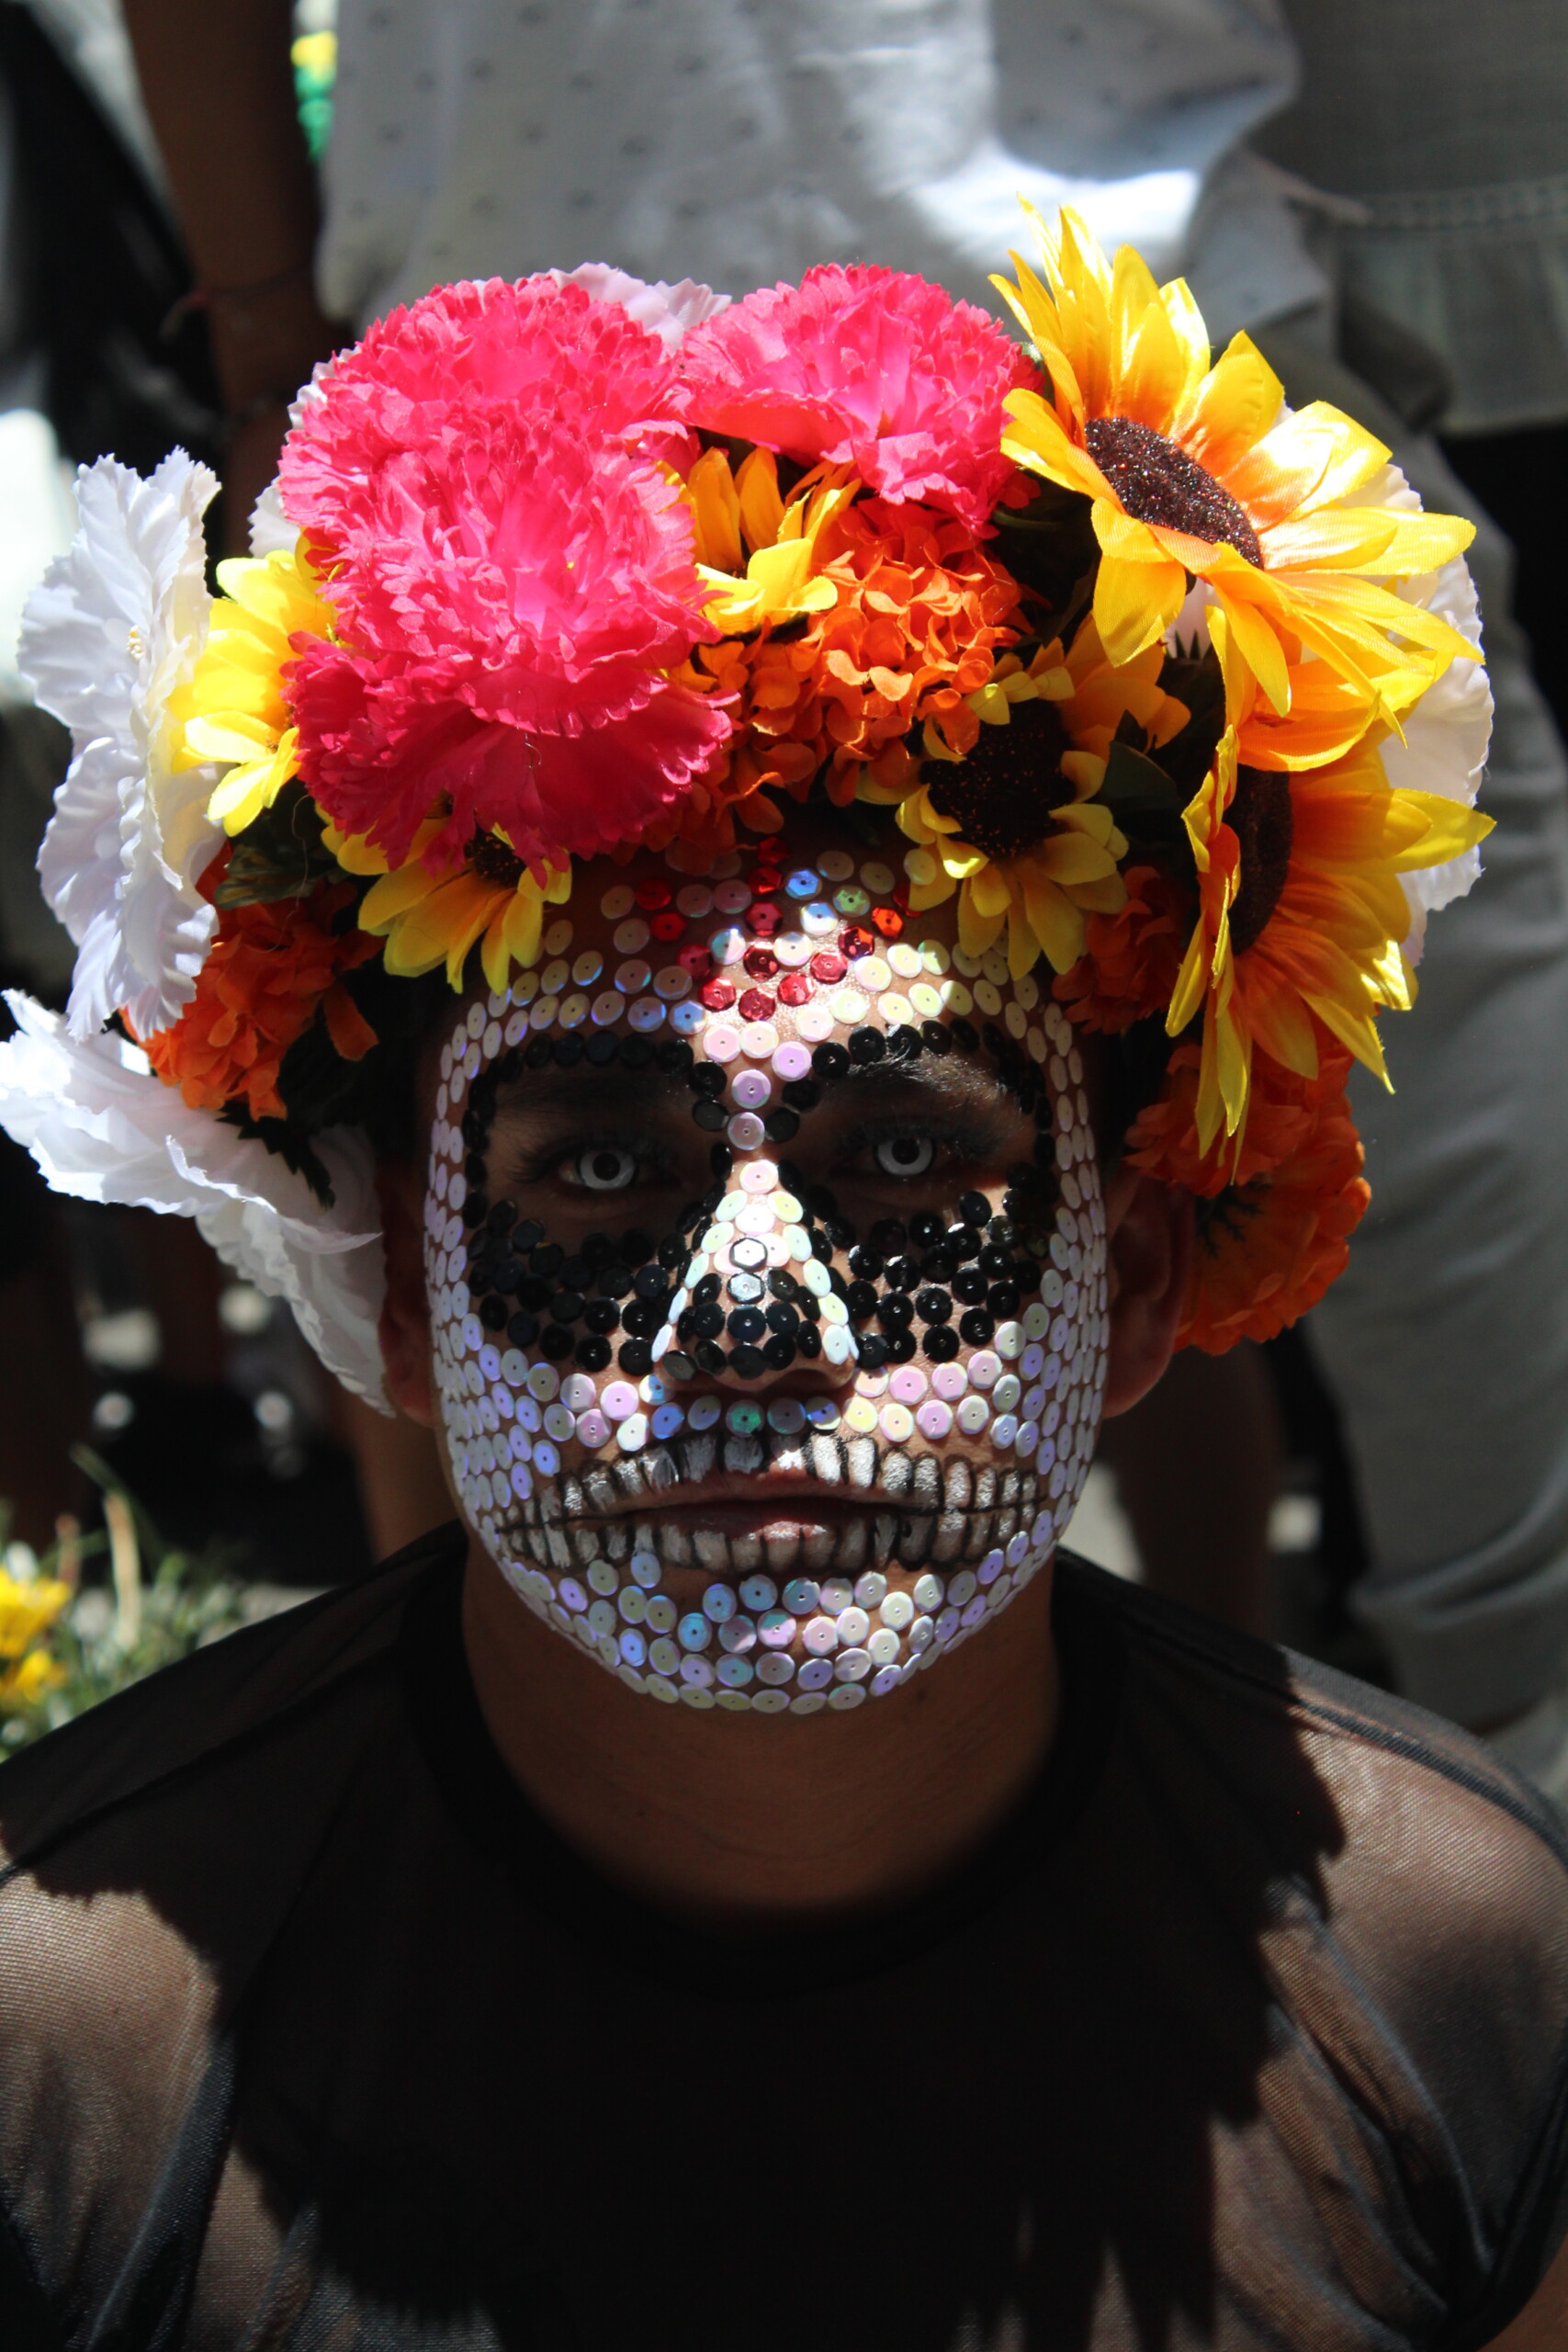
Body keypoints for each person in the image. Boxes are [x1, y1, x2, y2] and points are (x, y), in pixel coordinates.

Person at [3, 230, 1567, 2349]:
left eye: (905, 1154)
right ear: (389, 1296)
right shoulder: (68, 2044)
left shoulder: (1456, 1958)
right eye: (602, 1170)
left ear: (1115, 1283)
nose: (748, 1311)